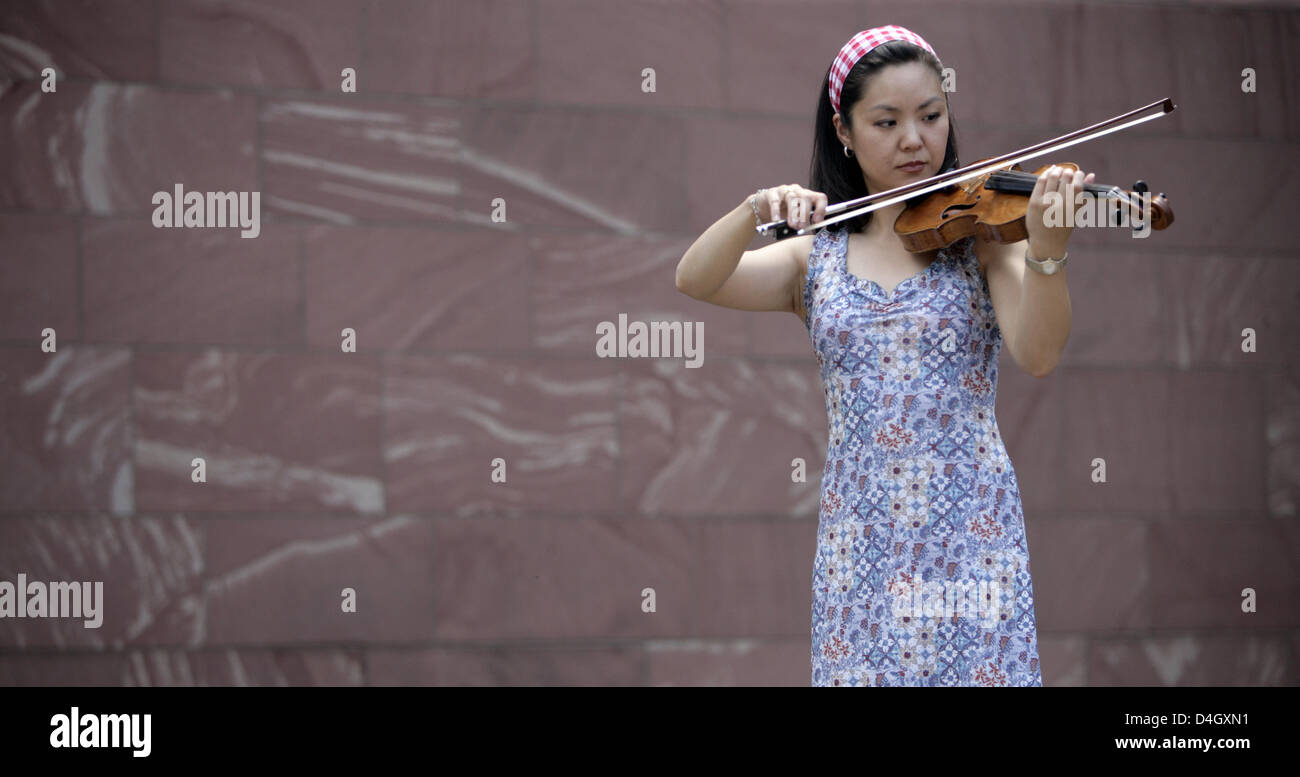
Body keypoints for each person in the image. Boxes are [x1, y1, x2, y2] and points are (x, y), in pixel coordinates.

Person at [675, 25, 1096, 686]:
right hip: (861, 537)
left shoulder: (981, 237)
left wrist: (1047, 250)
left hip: (969, 529)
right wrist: (754, 208)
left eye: (931, 116)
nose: (914, 138)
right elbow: (695, 277)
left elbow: (1039, 354)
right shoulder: (813, 259)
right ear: (844, 131)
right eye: (887, 120)